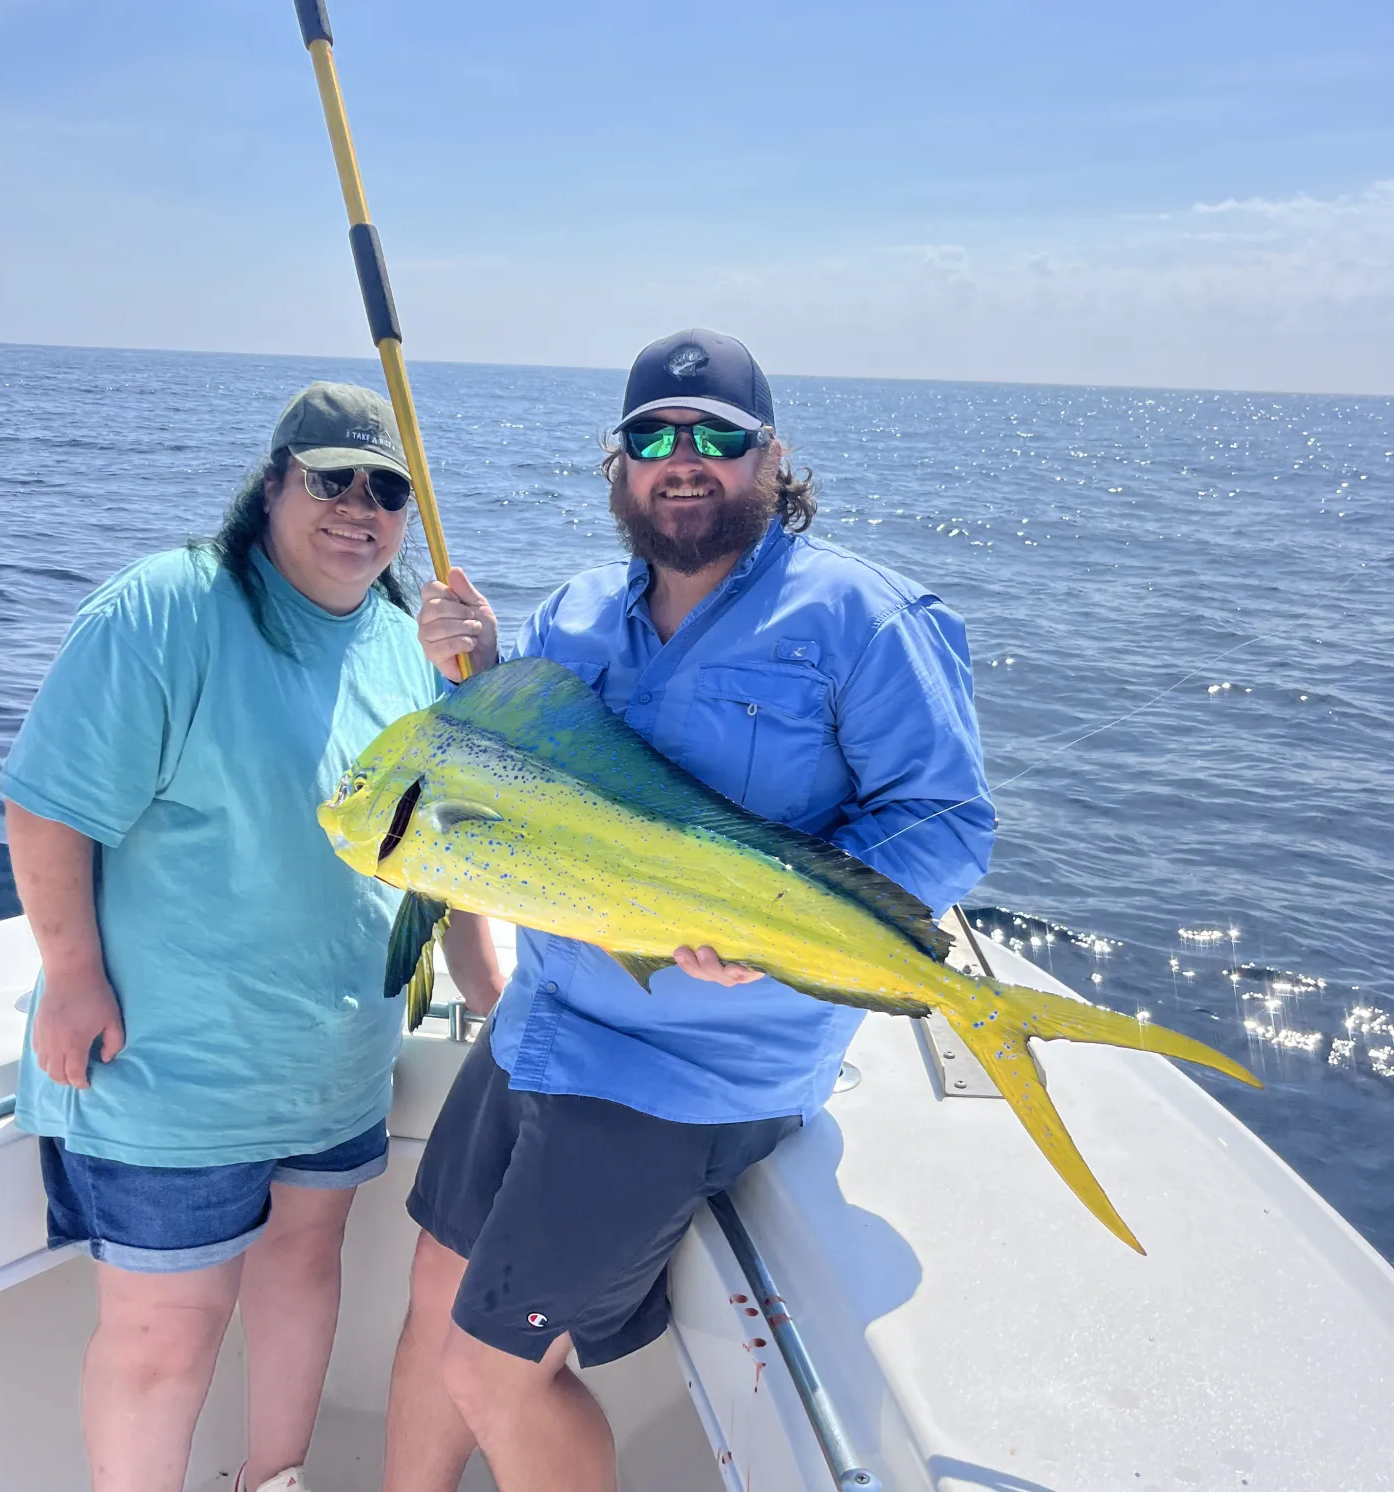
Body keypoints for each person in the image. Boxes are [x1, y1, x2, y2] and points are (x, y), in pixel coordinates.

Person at [392, 329, 994, 1492]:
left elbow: (947, 825)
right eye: (655, 437)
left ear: (774, 459)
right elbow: (525, 786)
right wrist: (475, 671)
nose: (685, 460)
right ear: (618, 466)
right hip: (542, 1025)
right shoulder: (572, 614)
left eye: (718, 437)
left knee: (493, 1371)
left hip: (686, 1072)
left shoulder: (863, 619)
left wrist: (772, 932)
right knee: (429, 1300)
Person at [0, 382, 504, 1492]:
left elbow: (452, 856)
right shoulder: (166, 607)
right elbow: (45, 806)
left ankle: (275, 1481)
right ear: (273, 483)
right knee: (164, 1333)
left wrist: (492, 992)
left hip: (331, 1065)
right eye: (332, 479)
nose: (358, 507)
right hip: (167, 1069)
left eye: (387, 489)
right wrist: (72, 977)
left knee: (304, 1271)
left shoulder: (411, 646)